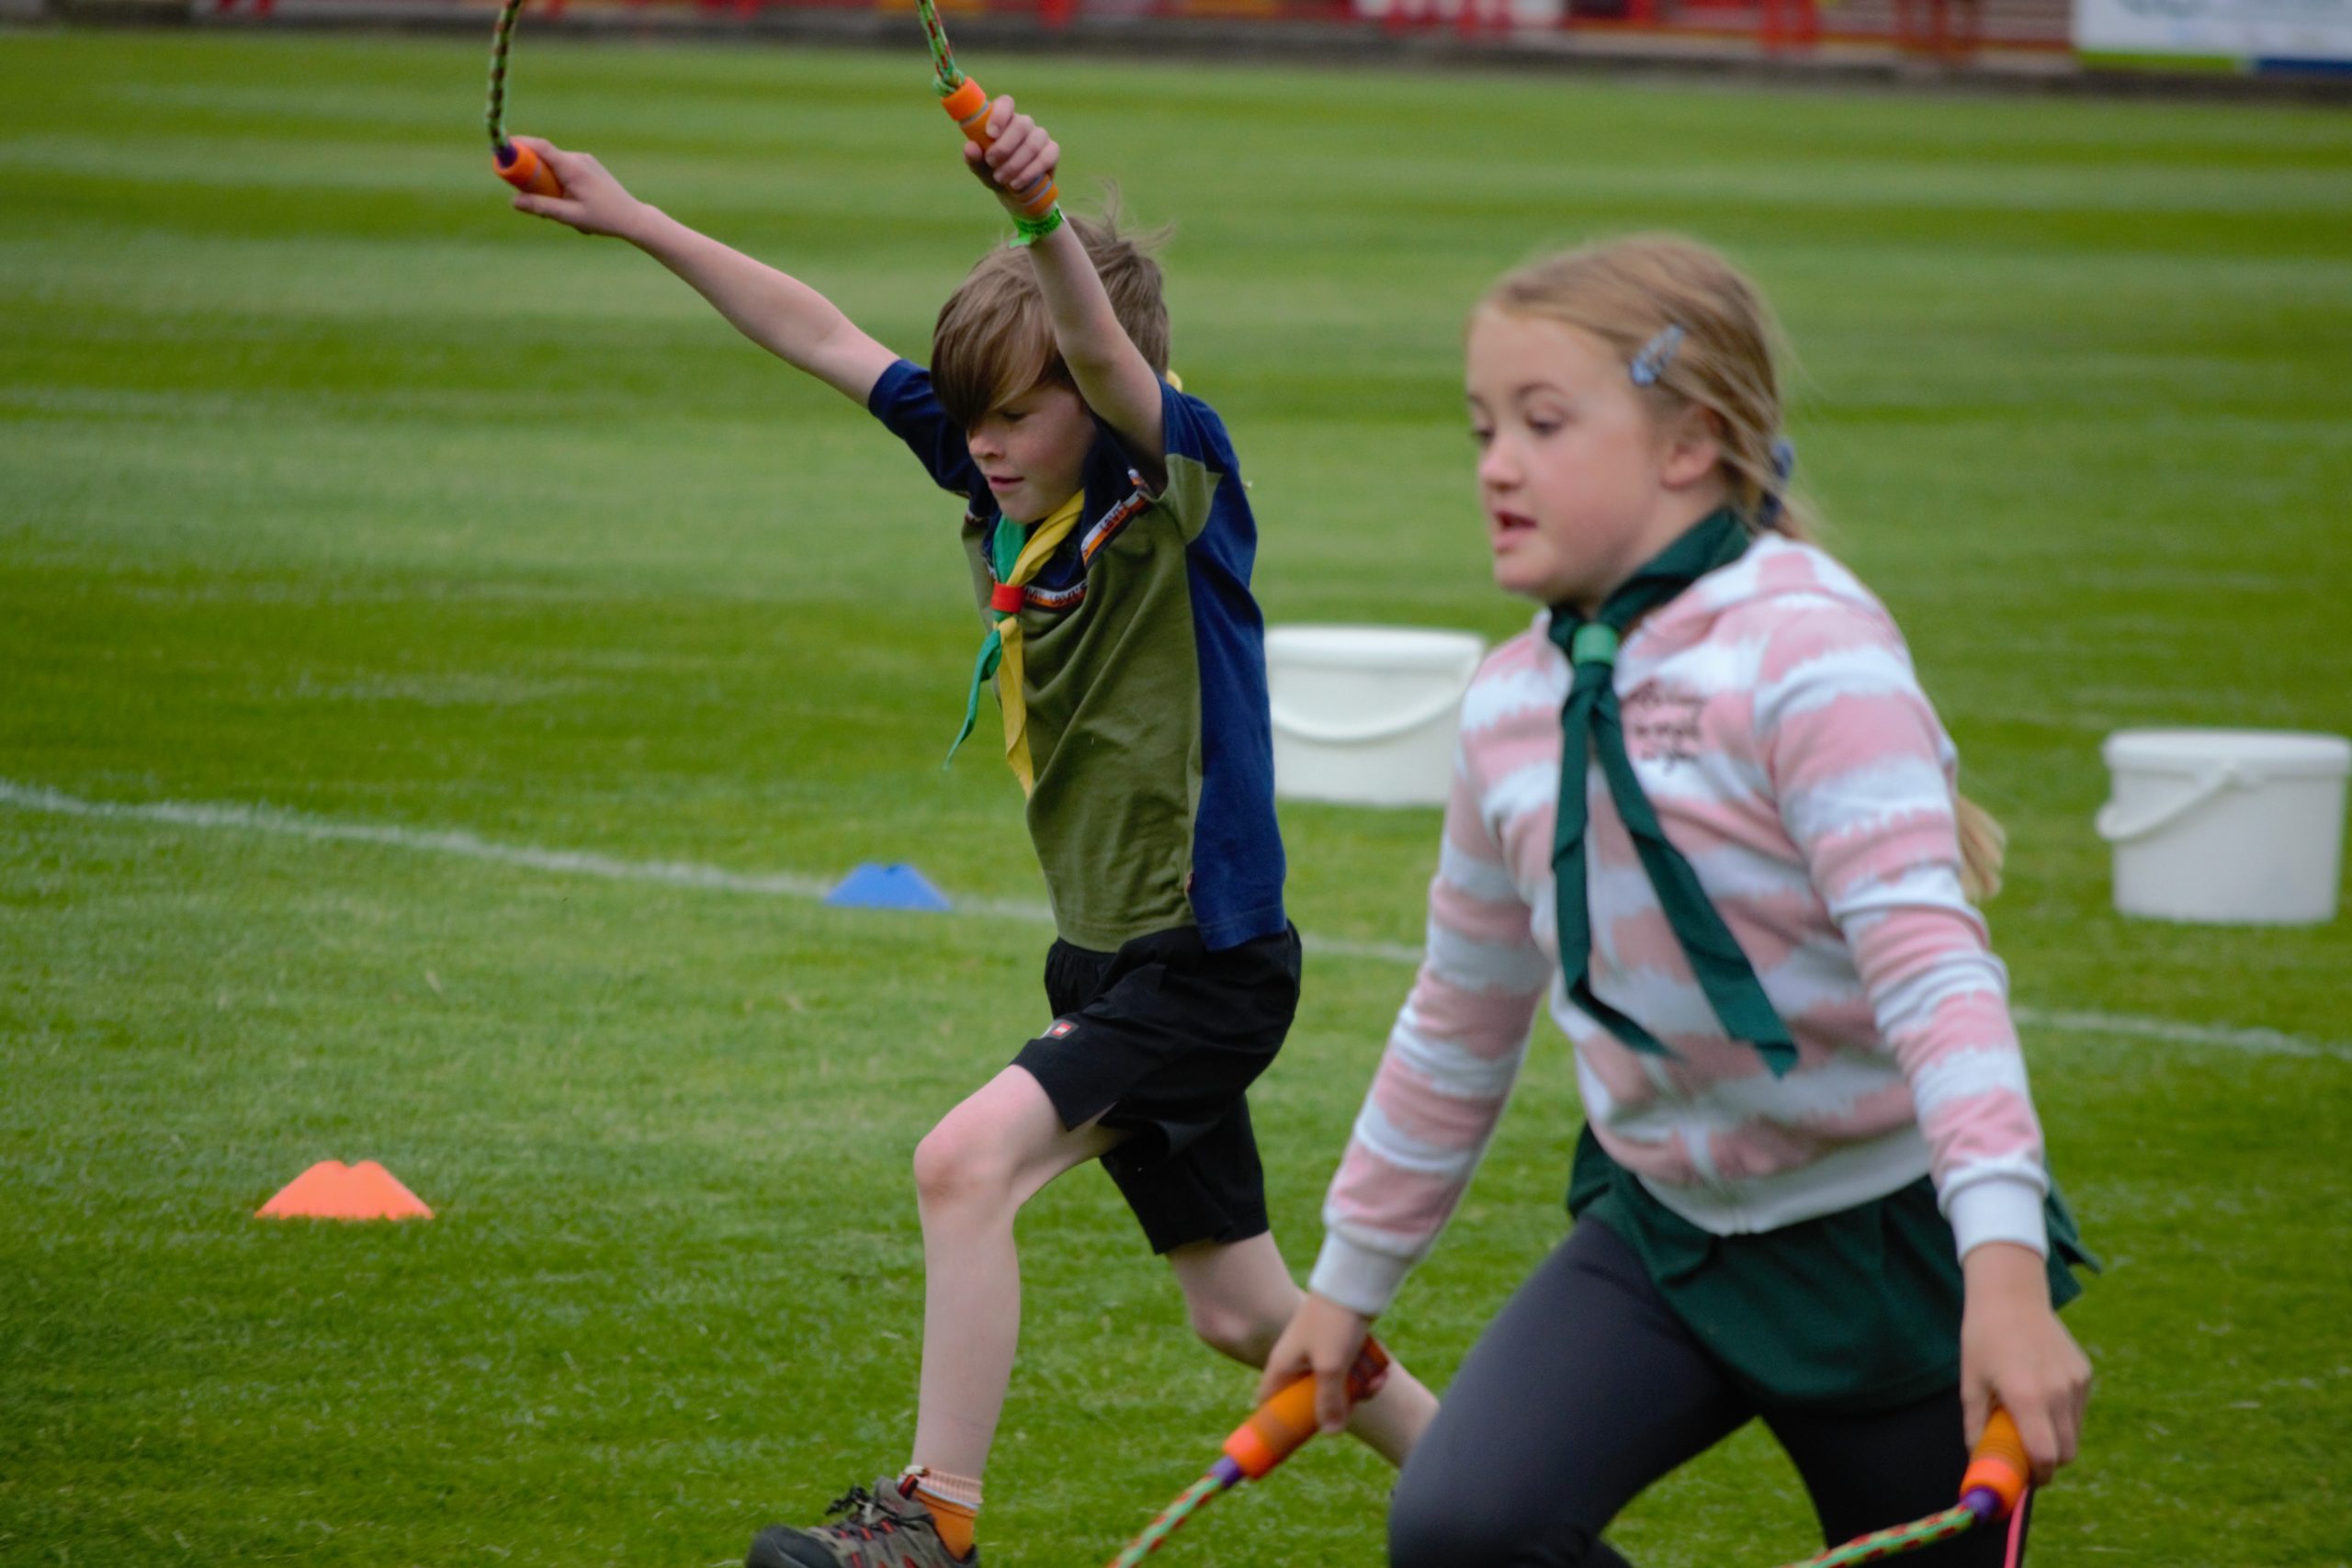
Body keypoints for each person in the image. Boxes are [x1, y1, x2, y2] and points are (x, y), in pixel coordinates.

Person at [505, 97, 1435, 1568]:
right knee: (1247, 1315)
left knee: (964, 1162)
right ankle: (1506, 1505)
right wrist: (630, 216)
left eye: (1017, 413)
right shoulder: (1013, 470)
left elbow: (1112, 358)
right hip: (1108, 964)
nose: (986, 446)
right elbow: (821, 336)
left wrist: (1041, 217)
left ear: (1086, 393)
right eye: (974, 417)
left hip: (1207, 961)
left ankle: (931, 1526)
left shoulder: (1167, 474)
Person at [1257, 235, 2095, 1568]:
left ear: (1690, 444)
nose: (1496, 464)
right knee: (1463, 1529)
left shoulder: (1809, 649)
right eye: (1482, 427)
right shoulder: (1509, 702)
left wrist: (2000, 1277)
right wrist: (1346, 1285)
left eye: (1543, 423)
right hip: (1668, 1236)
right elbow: (1461, 1016)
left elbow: (1935, 976)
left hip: (1892, 1253)